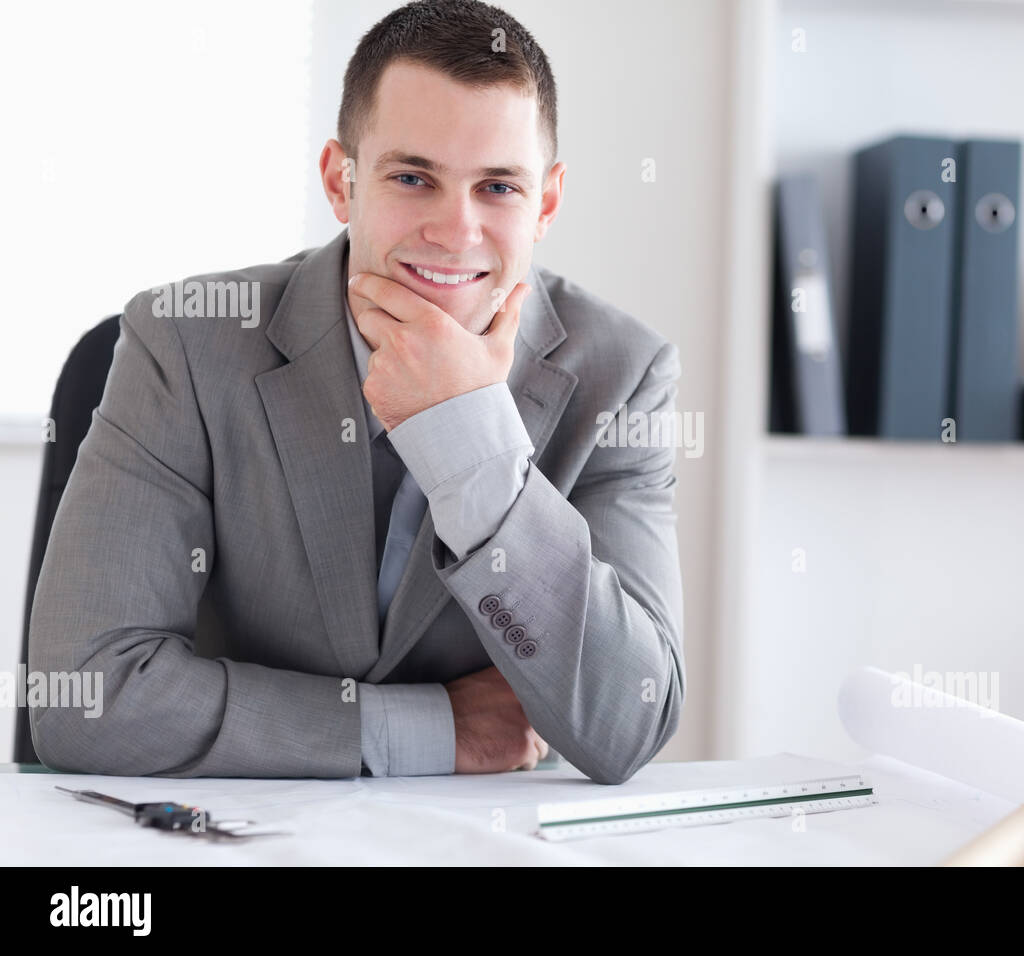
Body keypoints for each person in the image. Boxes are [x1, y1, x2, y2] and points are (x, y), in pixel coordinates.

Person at [28, 0, 685, 785]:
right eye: (413, 177)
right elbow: (86, 699)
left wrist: (471, 439)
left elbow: (631, 720)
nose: (455, 230)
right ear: (341, 183)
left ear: (545, 201)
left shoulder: (624, 377)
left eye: (499, 187)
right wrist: (427, 731)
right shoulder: (183, 344)